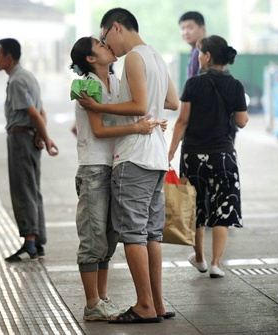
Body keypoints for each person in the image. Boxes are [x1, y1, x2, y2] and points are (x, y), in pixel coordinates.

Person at [77, 8, 179, 323]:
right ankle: (157, 304)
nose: (109, 45)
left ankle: (145, 306)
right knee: (152, 233)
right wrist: (146, 110)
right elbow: (171, 101)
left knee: (133, 233)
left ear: (117, 27)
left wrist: (102, 107)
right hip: (157, 157)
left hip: (134, 157)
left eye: (106, 37)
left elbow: (138, 105)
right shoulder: (157, 57)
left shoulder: (134, 57)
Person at [168, 35, 249, 279]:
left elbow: (182, 121)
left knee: (196, 209)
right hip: (223, 156)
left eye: (200, 52)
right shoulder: (235, 85)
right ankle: (216, 263)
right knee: (222, 210)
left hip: (193, 156)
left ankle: (200, 259)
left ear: (207, 56)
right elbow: (241, 122)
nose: (199, 56)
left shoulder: (193, 84)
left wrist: (171, 150)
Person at [0, 38, 59, 262]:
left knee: (23, 189)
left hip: (21, 137)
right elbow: (42, 111)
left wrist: (47, 137)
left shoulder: (17, 81)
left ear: (8, 58)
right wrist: (41, 134)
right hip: (29, 136)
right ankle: (37, 241)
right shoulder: (27, 76)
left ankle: (30, 242)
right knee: (33, 188)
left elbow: (32, 112)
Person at [179, 11, 206, 79]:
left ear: (202, 29)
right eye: (183, 28)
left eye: (190, 28)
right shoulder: (195, 51)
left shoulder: (202, 52)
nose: (185, 32)